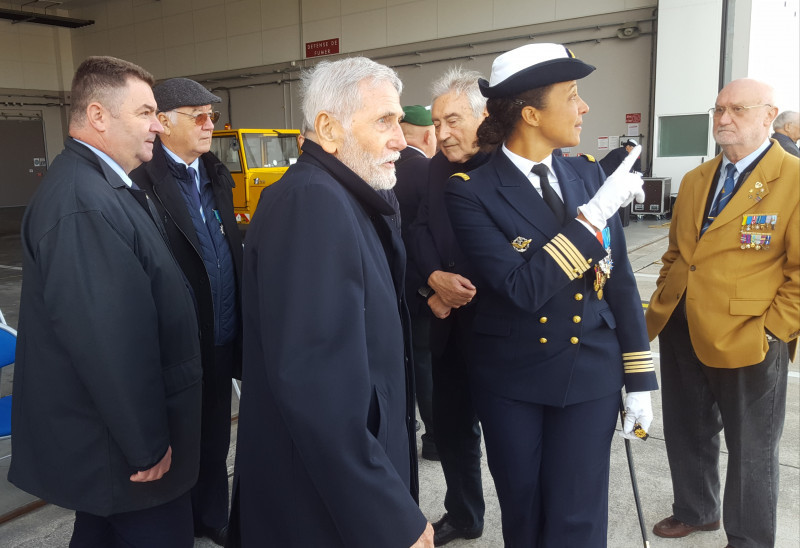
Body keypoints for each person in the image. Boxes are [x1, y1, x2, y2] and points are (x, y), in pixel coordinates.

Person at [444, 43, 658, 547]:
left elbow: (620, 279)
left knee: (579, 516)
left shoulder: (586, 173)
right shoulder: (470, 191)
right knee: (525, 511)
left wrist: (640, 375)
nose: (584, 107)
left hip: (591, 372)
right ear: (532, 113)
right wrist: (590, 220)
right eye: (573, 95)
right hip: (514, 377)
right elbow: (523, 288)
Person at [227, 56, 433, 548]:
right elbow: (315, 387)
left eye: (399, 121)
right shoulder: (312, 204)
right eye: (384, 120)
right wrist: (391, 515)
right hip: (323, 504)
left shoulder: (345, 196)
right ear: (328, 128)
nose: (401, 139)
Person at [8, 56, 202, 547]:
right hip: (124, 453)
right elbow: (110, 342)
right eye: (145, 113)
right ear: (98, 116)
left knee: (99, 534)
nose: (158, 125)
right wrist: (147, 446)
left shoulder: (103, 185)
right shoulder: (83, 203)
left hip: (114, 446)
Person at [646, 78, 799, 548]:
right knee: (686, 427)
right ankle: (697, 509)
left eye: (736, 109)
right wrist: (665, 300)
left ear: (769, 116)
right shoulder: (697, 179)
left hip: (749, 334)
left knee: (752, 448)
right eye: (717, 110)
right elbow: (677, 254)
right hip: (681, 326)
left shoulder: (793, 180)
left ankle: (749, 539)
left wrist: (774, 331)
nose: (723, 119)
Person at [130, 77, 243, 546]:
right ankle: (177, 519)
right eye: (198, 116)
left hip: (221, 333)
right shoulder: (141, 182)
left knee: (216, 435)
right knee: (181, 437)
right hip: (179, 341)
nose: (208, 125)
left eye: (212, 117)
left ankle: (211, 514)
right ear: (163, 122)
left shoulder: (213, 173)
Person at [409, 67, 489, 546]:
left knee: (509, 438)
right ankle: (463, 514)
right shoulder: (439, 166)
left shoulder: (510, 162)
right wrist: (433, 280)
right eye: (437, 123)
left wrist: (463, 287)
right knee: (455, 429)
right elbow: (420, 227)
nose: (441, 133)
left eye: (453, 120)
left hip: (498, 329)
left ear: (486, 117)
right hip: (447, 324)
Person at [395, 104, 438, 461]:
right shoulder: (426, 170)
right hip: (422, 286)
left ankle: (403, 427)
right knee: (426, 364)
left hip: (390, 286)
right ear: (427, 135)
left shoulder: (382, 167)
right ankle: (436, 439)